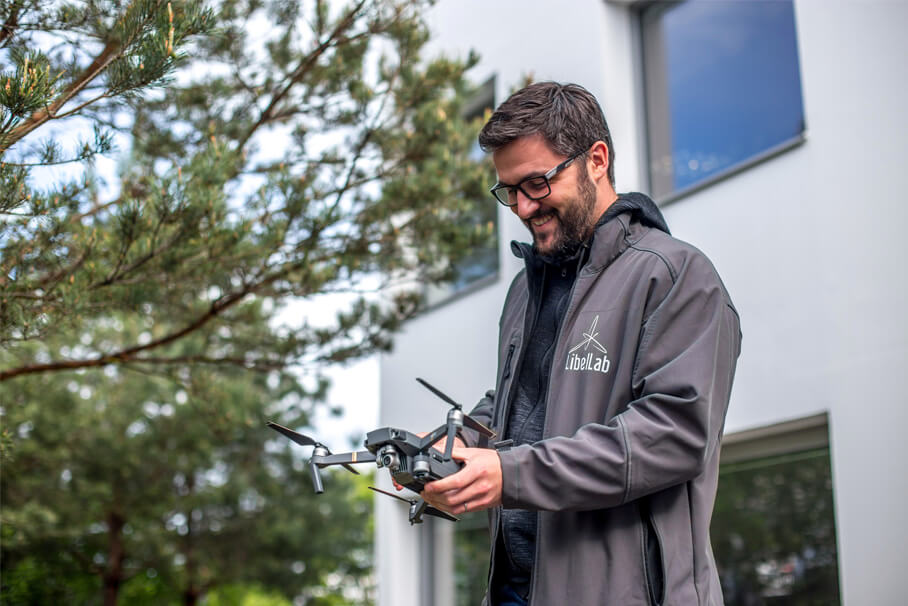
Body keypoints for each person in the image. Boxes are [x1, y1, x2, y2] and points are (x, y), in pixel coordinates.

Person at [420, 81, 742, 606]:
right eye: (509, 191)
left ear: (596, 159)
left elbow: (674, 433)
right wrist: (457, 442)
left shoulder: (676, 275)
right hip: (515, 591)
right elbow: (519, 408)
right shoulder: (525, 291)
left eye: (538, 183)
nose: (523, 207)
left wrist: (511, 472)